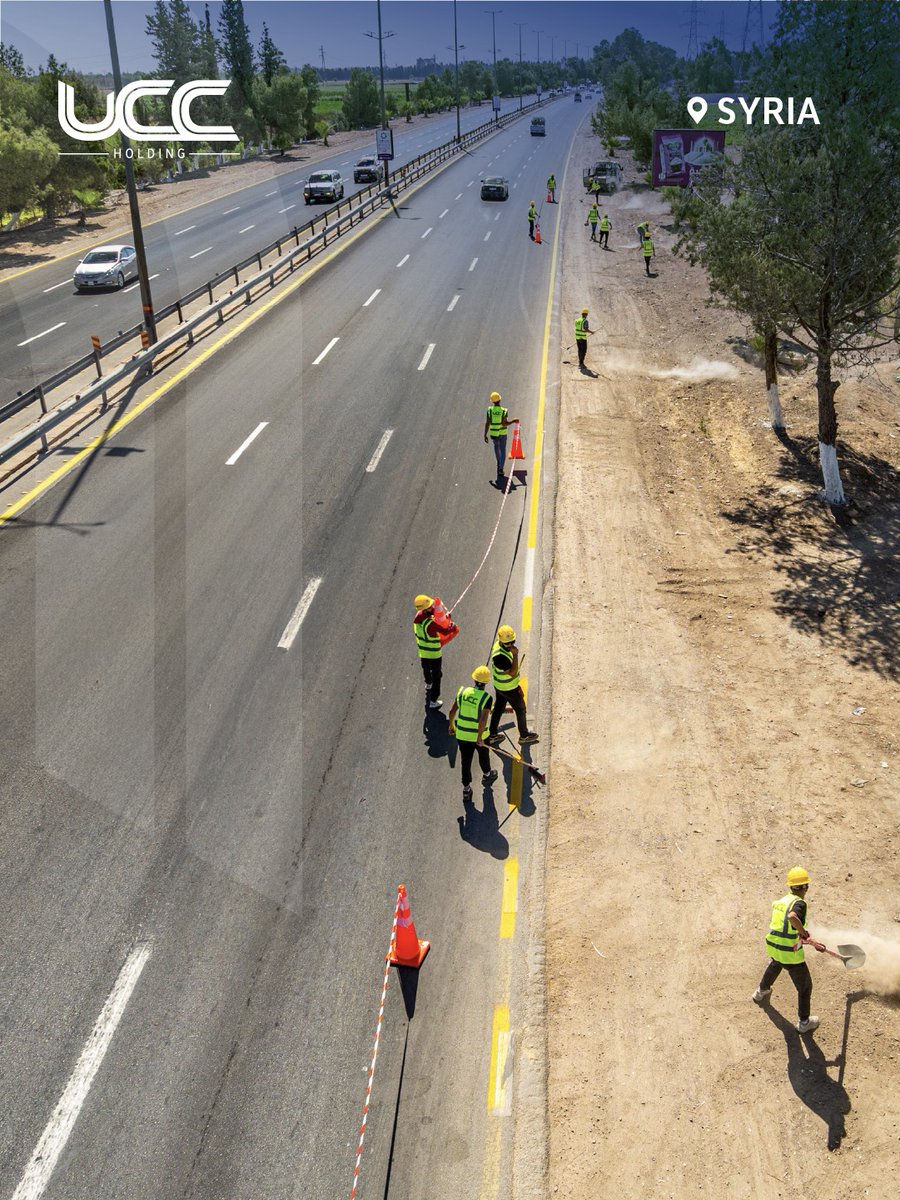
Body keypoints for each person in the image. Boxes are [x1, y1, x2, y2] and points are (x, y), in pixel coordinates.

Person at [753, 866, 826, 1033]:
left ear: (791, 886)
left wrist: (799, 935)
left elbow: (784, 923)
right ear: (805, 887)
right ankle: (804, 1022)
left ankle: (761, 991)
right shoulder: (799, 903)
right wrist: (803, 932)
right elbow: (792, 917)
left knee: (776, 964)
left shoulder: (782, 901)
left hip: (773, 945)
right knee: (805, 986)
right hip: (788, 952)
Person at [448, 666, 498, 800]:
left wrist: (451, 726)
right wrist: (479, 737)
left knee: (465, 761)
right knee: (483, 756)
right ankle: (487, 775)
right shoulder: (487, 698)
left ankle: (466, 789)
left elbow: (452, 712)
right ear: (486, 683)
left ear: (474, 679)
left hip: (462, 735)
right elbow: (482, 721)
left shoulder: (462, 692)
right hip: (478, 736)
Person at [485, 625, 538, 745]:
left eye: (512, 642)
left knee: (499, 708)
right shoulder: (499, 656)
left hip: (500, 686)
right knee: (520, 709)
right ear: (501, 641)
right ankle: (524, 735)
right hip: (508, 688)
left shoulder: (500, 646)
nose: (510, 645)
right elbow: (512, 672)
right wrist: (515, 655)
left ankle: (492, 734)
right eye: (507, 643)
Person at [413, 594, 445, 709]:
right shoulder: (430, 624)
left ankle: (428, 683)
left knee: (426, 669)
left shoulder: (417, 620)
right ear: (425, 610)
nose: (432, 607)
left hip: (423, 653)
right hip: (434, 654)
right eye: (430, 606)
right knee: (438, 676)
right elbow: (445, 630)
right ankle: (433, 700)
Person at [484, 391, 518, 481]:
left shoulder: (489, 410)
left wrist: (485, 434)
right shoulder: (504, 411)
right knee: (502, 450)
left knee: (496, 448)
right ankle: (500, 469)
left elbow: (487, 423)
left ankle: (498, 463)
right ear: (500, 400)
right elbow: (504, 424)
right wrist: (513, 421)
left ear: (492, 401)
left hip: (493, 434)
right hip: (502, 433)